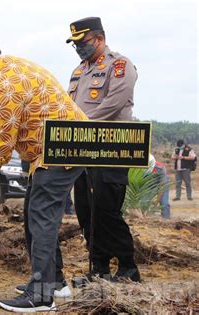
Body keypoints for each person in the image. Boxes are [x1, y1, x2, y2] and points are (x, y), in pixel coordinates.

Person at [0, 34, 88, 312]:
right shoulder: (6, 67)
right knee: (34, 214)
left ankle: (42, 296)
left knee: (41, 216)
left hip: (63, 146)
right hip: (51, 147)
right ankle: (54, 282)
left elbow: (2, 143)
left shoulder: (5, 85)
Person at [66, 17, 140, 282]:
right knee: (86, 211)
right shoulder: (78, 71)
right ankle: (99, 269)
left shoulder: (119, 65)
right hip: (83, 151)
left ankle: (128, 266)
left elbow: (114, 104)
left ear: (99, 38)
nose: (79, 48)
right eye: (74, 44)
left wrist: (81, 126)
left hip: (112, 148)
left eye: (83, 43)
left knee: (107, 210)